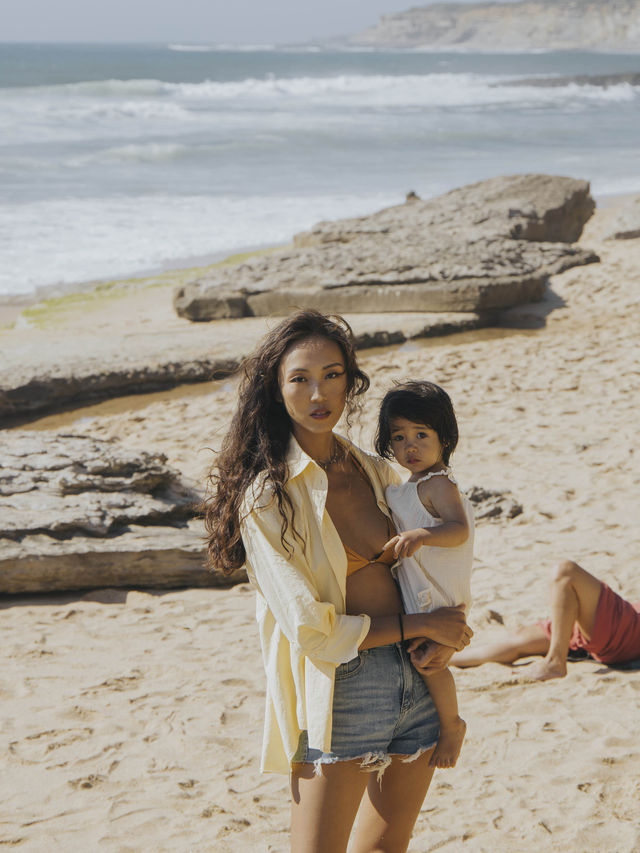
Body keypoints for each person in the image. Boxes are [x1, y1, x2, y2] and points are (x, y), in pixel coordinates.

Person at [202, 310, 473, 853]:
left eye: (332, 374)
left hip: (419, 675)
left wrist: (447, 631)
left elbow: (437, 559)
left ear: (350, 382)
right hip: (340, 689)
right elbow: (312, 629)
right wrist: (422, 623)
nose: (318, 391)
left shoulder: (376, 471)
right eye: (299, 378)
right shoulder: (268, 496)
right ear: (277, 391)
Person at [375, 381, 474, 769]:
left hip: (436, 592)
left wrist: (422, 535)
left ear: (444, 437)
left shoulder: (438, 483)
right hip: (419, 587)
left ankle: (451, 723)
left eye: (421, 435)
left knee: (429, 661)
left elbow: (459, 529)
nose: (410, 446)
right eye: (399, 437)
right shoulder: (407, 485)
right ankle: (447, 720)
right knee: (423, 654)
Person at [451, 560, 640, 680]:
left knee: (565, 573)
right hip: (621, 624)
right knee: (521, 637)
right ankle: (446, 660)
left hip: (627, 630)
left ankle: (555, 663)